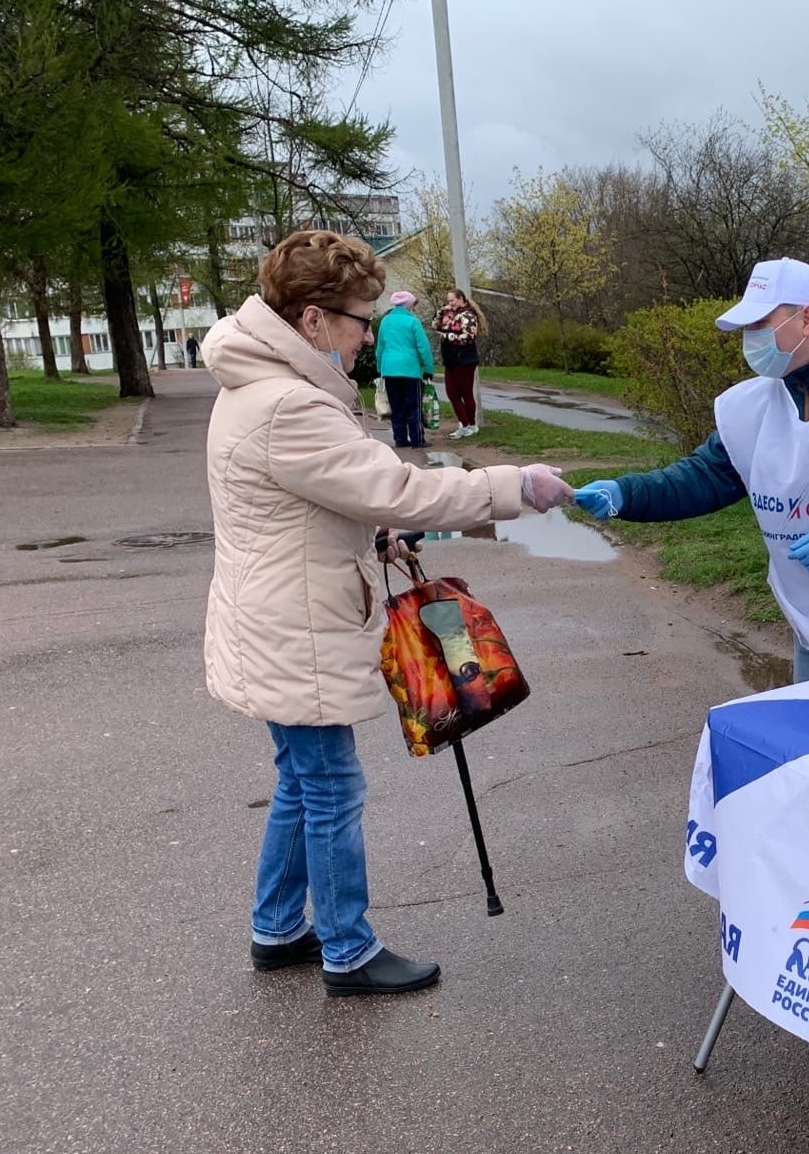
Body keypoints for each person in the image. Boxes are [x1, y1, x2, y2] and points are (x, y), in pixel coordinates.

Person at [200, 230, 572, 996]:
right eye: (359, 319)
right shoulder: (287, 405)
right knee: (330, 786)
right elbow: (397, 487)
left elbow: (320, 498)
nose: (370, 334)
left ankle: (278, 929)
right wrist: (510, 486)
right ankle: (347, 951)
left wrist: (375, 527)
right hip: (295, 625)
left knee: (303, 780)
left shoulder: (260, 385)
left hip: (278, 615)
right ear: (312, 320)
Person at [571, 257, 809, 682]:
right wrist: (627, 494)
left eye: (760, 324)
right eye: (746, 328)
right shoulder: (752, 407)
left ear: (807, 318)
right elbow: (707, 475)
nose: (750, 338)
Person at [375, 289, 434, 448]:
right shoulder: (413, 321)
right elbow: (423, 347)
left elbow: (380, 347)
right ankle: (417, 439)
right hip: (410, 369)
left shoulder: (385, 321)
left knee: (396, 406)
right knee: (413, 406)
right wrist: (428, 368)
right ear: (409, 306)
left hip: (389, 369)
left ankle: (400, 439)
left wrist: (379, 367)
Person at [436, 289, 485, 439]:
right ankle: (464, 423)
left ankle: (469, 424)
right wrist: (441, 312)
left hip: (464, 360)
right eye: (448, 301)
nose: (450, 304)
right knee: (451, 392)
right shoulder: (451, 315)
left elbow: (467, 337)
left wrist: (446, 334)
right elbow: (436, 324)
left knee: (465, 392)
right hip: (451, 359)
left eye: (452, 300)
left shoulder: (468, 316)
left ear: (461, 299)